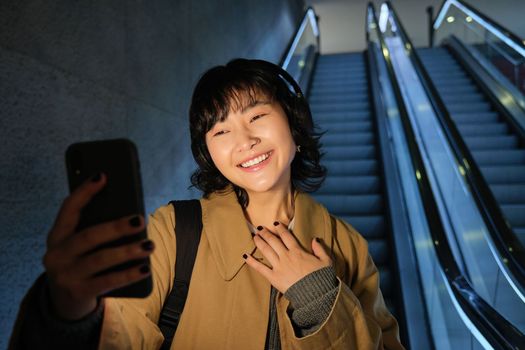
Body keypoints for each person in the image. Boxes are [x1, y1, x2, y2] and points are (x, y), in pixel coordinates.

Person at [9, 59, 404, 349]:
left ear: (294, 127)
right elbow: (119, 339)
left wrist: (319, 300)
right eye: (221, 130)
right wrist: (67, 311)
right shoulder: (173, 231)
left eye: (258, 115)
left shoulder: (347, 245)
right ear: (209, 153)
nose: (244, 140)